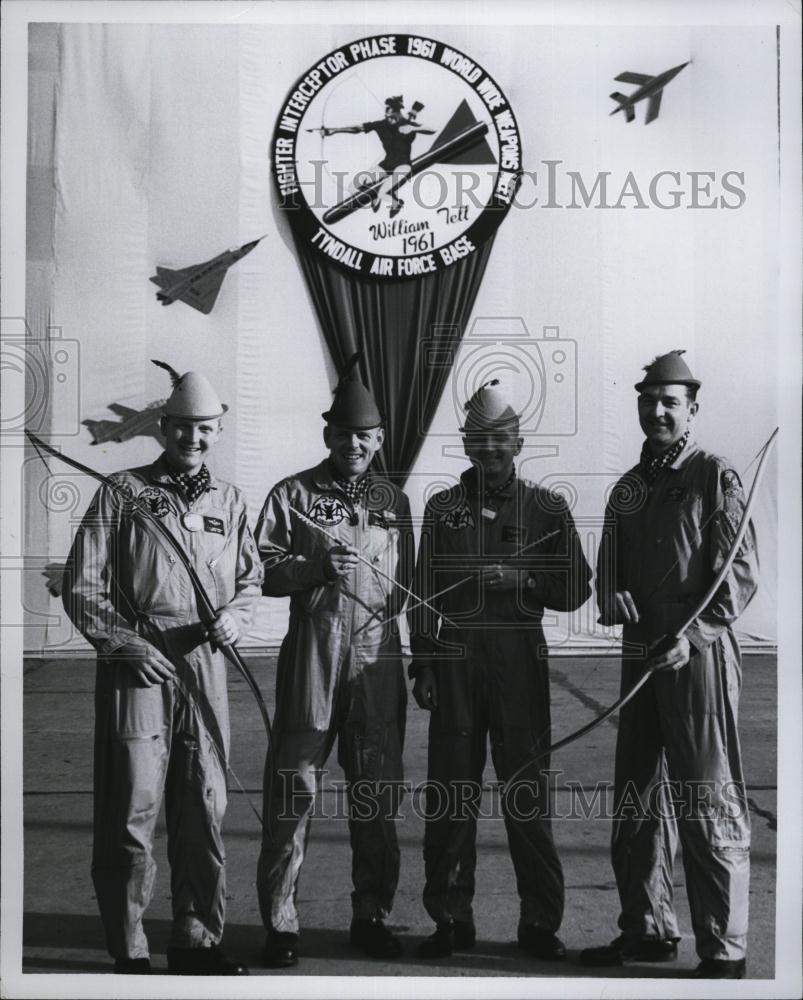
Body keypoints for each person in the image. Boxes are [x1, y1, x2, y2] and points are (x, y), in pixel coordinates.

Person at [62, 366, 262, 975]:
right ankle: (130, 947)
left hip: (203, 663)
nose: (193, 438)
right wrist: (122, 642)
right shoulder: (121, 491)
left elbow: (249, 579)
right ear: (164, 428)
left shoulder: (230, 501)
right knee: (134, 804)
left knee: (205, 801)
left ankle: (197, 940)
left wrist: (236, 616)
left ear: (217, 431)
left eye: (204, 429)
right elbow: (80, 583)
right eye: (182, 428)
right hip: (140, 667)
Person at [580, 350, 759, 979]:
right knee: (638, 795)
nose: (657, 411)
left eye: (670, 402)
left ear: (691, 410)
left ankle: (724, 947)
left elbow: (740, 573)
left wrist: (699, 634)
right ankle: (649, 928)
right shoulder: (628, 486)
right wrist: (612, 595)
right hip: (641, 651)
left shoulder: (715, 475)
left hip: (697, 656)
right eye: (648, 400)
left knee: (707, 796)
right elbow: (609, 572)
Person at [409, 380, 592, 960]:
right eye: (479, 439)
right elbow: (421, 593)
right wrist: (425, 664)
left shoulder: (546, 508)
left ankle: (539, 922)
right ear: (465, 443)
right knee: (450, 796)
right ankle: (449, 917)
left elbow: (577, 587)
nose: (490, 448)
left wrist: (525, 580)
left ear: (517, 440)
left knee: (526, 796)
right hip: (457, 667)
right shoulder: (443, 509)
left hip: (519, 667)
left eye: (500, 439)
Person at [256, 357, 414, 968]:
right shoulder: (292, 495)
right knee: (293, 787)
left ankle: (370, 915)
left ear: (378, 442)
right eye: (344, 434)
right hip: (313, 658)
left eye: (365, 436)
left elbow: (406, 590)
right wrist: (314, 569)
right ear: (328, 435)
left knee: (375, 793)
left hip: (377, 660)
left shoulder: (394, 503)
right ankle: (280, 920)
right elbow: (259, 569)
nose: (354, 444)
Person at [323, 95, 435, 218]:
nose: (390, 120)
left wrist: (413, 128)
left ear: (398, 113)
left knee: (383, 193)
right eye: (387, 117)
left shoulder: (407, 124)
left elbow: (432, 129)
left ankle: (396, 203)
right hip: (386, 164)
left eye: (392, 117)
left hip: (403, 165)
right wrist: (335, 130)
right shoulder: (382, 124)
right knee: (353, 187)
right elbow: (357, 128)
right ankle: (377, 195)